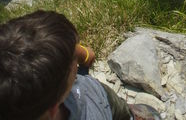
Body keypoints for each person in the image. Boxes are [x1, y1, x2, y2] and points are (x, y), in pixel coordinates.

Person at [0, 10, 161, 120]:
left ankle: (130, 115)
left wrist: (83, 54)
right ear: (54, 109)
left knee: (119, 107)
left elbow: (78, 52)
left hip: (101, 96)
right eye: (73, 61)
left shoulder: (39, 95)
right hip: (99, 104)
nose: (77, 56)